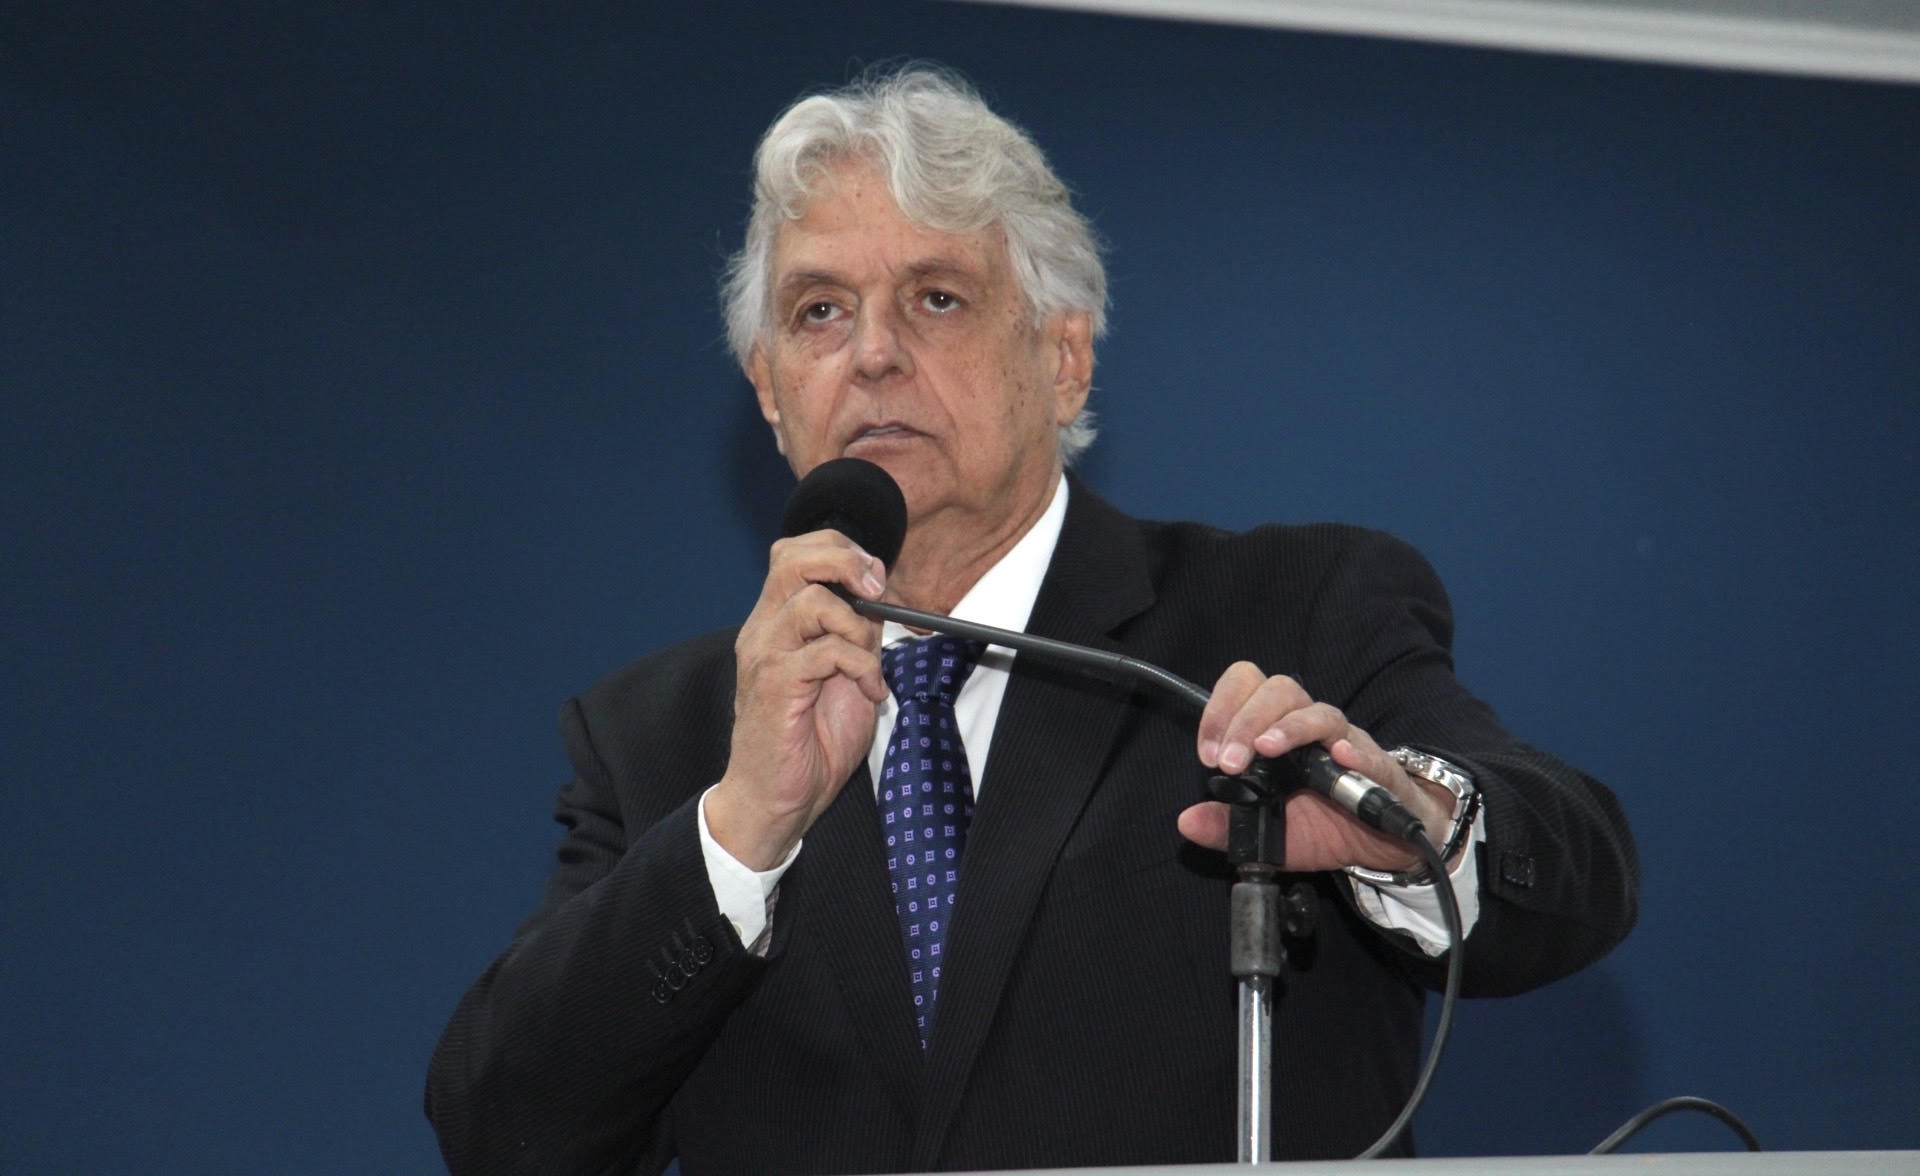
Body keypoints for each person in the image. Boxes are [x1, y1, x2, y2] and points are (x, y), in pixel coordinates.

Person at [425, 66, 1637, 1175]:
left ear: (1064, 360)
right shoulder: (664, 740)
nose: (874, 354)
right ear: (771, 392)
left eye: (936, 297)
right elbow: (502, 1129)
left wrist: (1405, 826)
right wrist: (743, 831)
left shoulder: (1292, 612)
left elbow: (1578, 871)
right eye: (820, 312)